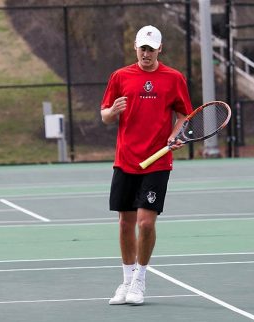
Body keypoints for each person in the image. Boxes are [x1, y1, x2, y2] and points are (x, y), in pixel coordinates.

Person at [100, 25, 192, 305]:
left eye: (151, 48)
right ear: (135, 48)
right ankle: (126, 281)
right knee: (125, 223)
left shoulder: (173, 78)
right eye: (143, 48)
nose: (146, 53)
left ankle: (140, 279)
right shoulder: (120, 76)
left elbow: (185, 115)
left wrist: (176, 135)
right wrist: (112, 112)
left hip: (157, 162)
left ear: (159, 49)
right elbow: (105, 115)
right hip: (125, 161)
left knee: (146, 224)